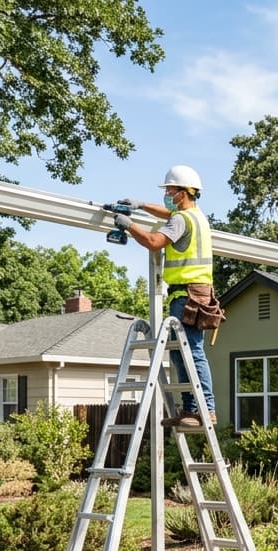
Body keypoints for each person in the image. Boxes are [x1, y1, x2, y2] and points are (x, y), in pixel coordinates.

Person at [114, 165, 217, 428]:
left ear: (184, 192)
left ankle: (205, 409)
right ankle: (192, 411)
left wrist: (129, 225)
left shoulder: (181, 220)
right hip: (198, 293)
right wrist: (140, 205)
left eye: (171, 190)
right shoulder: (196, 217)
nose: (168, 194)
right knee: (184, 354)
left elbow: (153, 241)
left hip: (187, 295)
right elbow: (169, 214)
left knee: (192, 352)